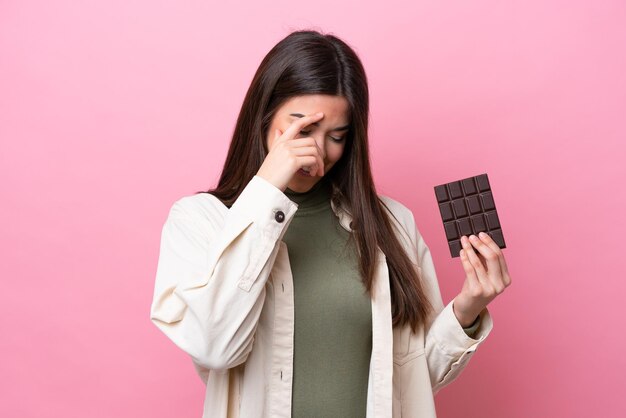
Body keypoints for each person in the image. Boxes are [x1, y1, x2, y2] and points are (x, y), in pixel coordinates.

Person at [149, 29, 511, 418]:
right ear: (264, 115)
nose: (318, 151)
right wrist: (268, 188)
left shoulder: (391, 224)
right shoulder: (200, 220)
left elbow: (409, 385)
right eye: (302, 129)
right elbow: (216, 347)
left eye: (336, 136)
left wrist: (467, 311)